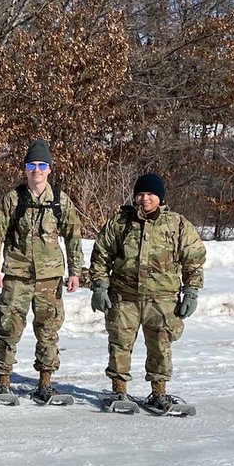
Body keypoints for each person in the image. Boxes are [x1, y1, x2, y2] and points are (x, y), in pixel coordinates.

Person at [88, 172, 206, 412]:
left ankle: (158, 393)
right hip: (124, 297)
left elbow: (193, 260)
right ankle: (118, 390)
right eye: (140, 194)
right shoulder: (120, 222)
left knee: (160, 347)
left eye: (150, 194)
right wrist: (100, 286)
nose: (145, 199)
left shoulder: (177, 224)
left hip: (162, 300)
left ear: (160, 197)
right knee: (119, 345)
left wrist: (192, 291)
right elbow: (101, 256)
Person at [0, 139, 84, 404]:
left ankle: (45, 383)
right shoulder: (13, 199)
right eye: (31, 166)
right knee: (8, 326)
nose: (36, 170)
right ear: (25, 169)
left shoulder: (60, 201)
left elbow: (73, 237)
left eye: (41, 165)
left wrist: (75, 271)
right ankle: (3, 382)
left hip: (50, 278)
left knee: (48, 330)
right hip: (17, 275)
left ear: (49, 169)